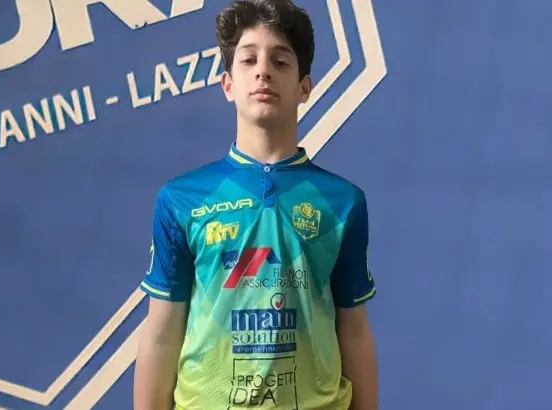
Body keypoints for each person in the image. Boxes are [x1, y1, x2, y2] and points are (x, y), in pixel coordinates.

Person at [133, 0, 378, 408]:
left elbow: (353, 329)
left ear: (304, 87)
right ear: (228, 84)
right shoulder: (181, 199)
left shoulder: (342, 202)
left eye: (280, 61)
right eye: (248, 60)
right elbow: (161, 332)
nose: (263, 71)